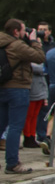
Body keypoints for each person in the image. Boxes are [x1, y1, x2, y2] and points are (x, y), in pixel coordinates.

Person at [1, 19, 45, 174]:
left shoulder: (2, 42)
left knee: (1, 124)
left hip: (2, 87)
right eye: (22, 30)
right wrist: (34, 41)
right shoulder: (17, 45)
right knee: (15, 126)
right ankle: (12, 163)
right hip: (17, 88)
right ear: (15, 31)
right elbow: (40, 57)